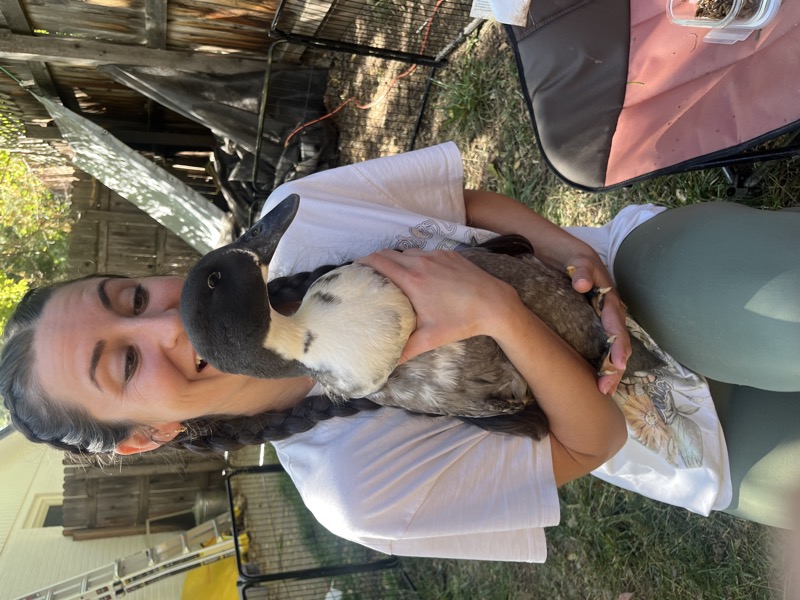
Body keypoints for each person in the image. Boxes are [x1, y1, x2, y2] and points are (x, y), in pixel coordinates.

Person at [2, 142, 798, 562]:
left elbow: (467, 205)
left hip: (641, 283)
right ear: (144, 436)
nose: (163, 326)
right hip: (686, 440)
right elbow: (595, 440)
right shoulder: (355, 493)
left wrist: (581, 266)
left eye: (132, 298)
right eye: (125, 364)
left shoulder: (296, 219)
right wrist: (496, 312)